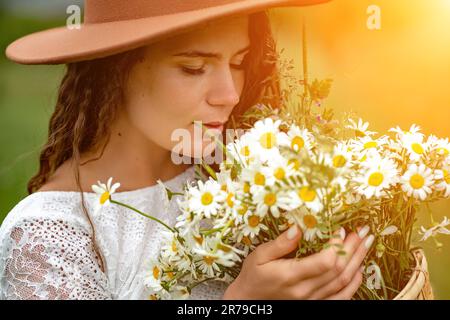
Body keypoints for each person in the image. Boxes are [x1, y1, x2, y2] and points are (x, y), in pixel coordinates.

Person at [0, 0, 373, 300]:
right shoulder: (49, 236)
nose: (229, 95)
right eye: (194, 68)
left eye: (239, 62)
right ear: (115, 68)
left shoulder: (240, 177)